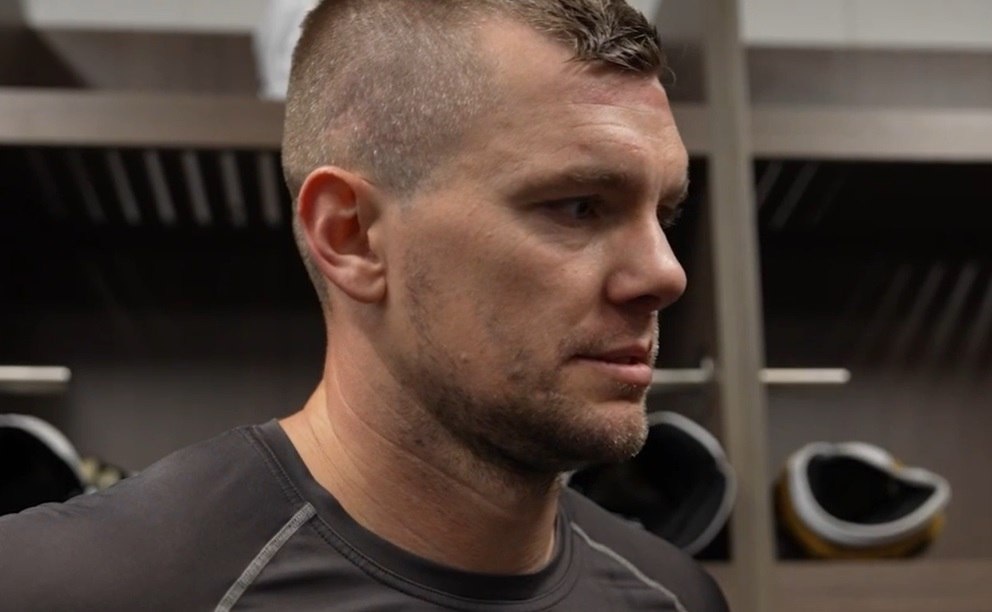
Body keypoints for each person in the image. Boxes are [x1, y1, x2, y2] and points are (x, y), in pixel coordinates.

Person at [0, 1, 728, 610]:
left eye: (664, 213)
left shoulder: (673, 596)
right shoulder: (59, 588)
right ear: (350, 236)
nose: (665, 274)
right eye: (579, 206)